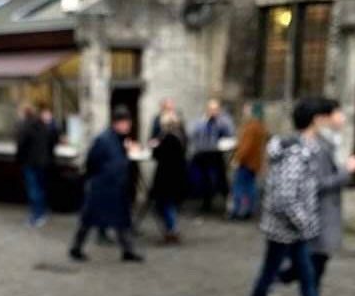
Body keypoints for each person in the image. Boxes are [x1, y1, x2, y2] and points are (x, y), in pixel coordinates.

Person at [242, 98, 346, 296]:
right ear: (315, 120)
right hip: (283, 230)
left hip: (295, 230)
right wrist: (306, 224)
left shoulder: (305, 149)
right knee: (269, 274)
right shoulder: (295, 154)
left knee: (307, 274)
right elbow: (285, 198)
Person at [279, 98, 355, 296]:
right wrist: (346, 172)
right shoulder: (315, 145)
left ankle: (290, 287)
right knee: (312, 265)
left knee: (313, 263)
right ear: (323, 118)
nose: (343, 117)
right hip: (315, 216)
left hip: (322, 216)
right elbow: (317, 183)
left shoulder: (326, 141)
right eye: (338, 113)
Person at [69, 105, 143, 263]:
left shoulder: (122, 140)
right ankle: (76, 248)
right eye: (124, 123)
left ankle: (128, 251)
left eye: (128, 123)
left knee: (122, 220)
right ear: (116, 123)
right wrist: (97, 177)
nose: (127, 126)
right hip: (101, 186)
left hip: (117, 187)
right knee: (88, 219)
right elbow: (91, 161)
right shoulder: (103, 139)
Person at [189, 99, 235, 212]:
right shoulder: (201, 121)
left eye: (215, 109)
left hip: (216, 153)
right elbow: (193, 133)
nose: (213, 112)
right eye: (211, 109)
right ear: (207, 109)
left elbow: (230, 133)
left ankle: (226, 201)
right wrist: (206, 120)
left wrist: (219, 121)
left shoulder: (223, 121)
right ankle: (206, 202)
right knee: (204, 179)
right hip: (203, 153)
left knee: (221, 178)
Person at [149, 111, 187, 242]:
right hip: (175, 178)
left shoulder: (167, 139)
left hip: (166, 179)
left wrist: (155, 146)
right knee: (167, 204)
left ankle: (172, 230)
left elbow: (157, 155)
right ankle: (170, 230)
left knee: (165, 204)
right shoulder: (178, 137)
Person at [15, 104, 53, 227]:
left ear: (24, 113)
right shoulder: (42, 124)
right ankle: (43, 213)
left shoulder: (24, 126)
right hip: (43, 162)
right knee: (41, 188)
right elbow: (51, 139)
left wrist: (18, 159)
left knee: (33, 190)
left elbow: (20, 144)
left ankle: (36, 216)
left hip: (30, 162)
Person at [229, 102, 266, 220]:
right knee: (250, 187)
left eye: (247, 110)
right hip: (253, 163)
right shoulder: (260, 126)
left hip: (246, 162)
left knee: (240, 187)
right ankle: (249, 209)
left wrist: (237, 159)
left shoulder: (251, 127)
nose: (245, 112)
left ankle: (240, 210)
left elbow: (246, 146)